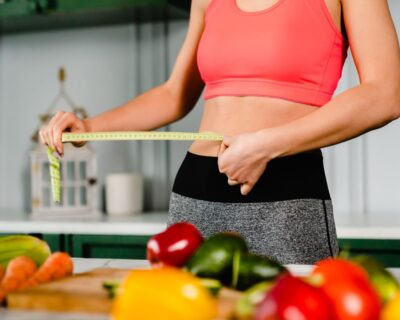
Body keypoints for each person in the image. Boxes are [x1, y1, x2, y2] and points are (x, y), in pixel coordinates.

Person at [40, 0, 400, 264]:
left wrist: (267, 145)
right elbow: (172, 95)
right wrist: (89, 127)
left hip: (286, 196)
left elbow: (387, 93)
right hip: (194, 195)